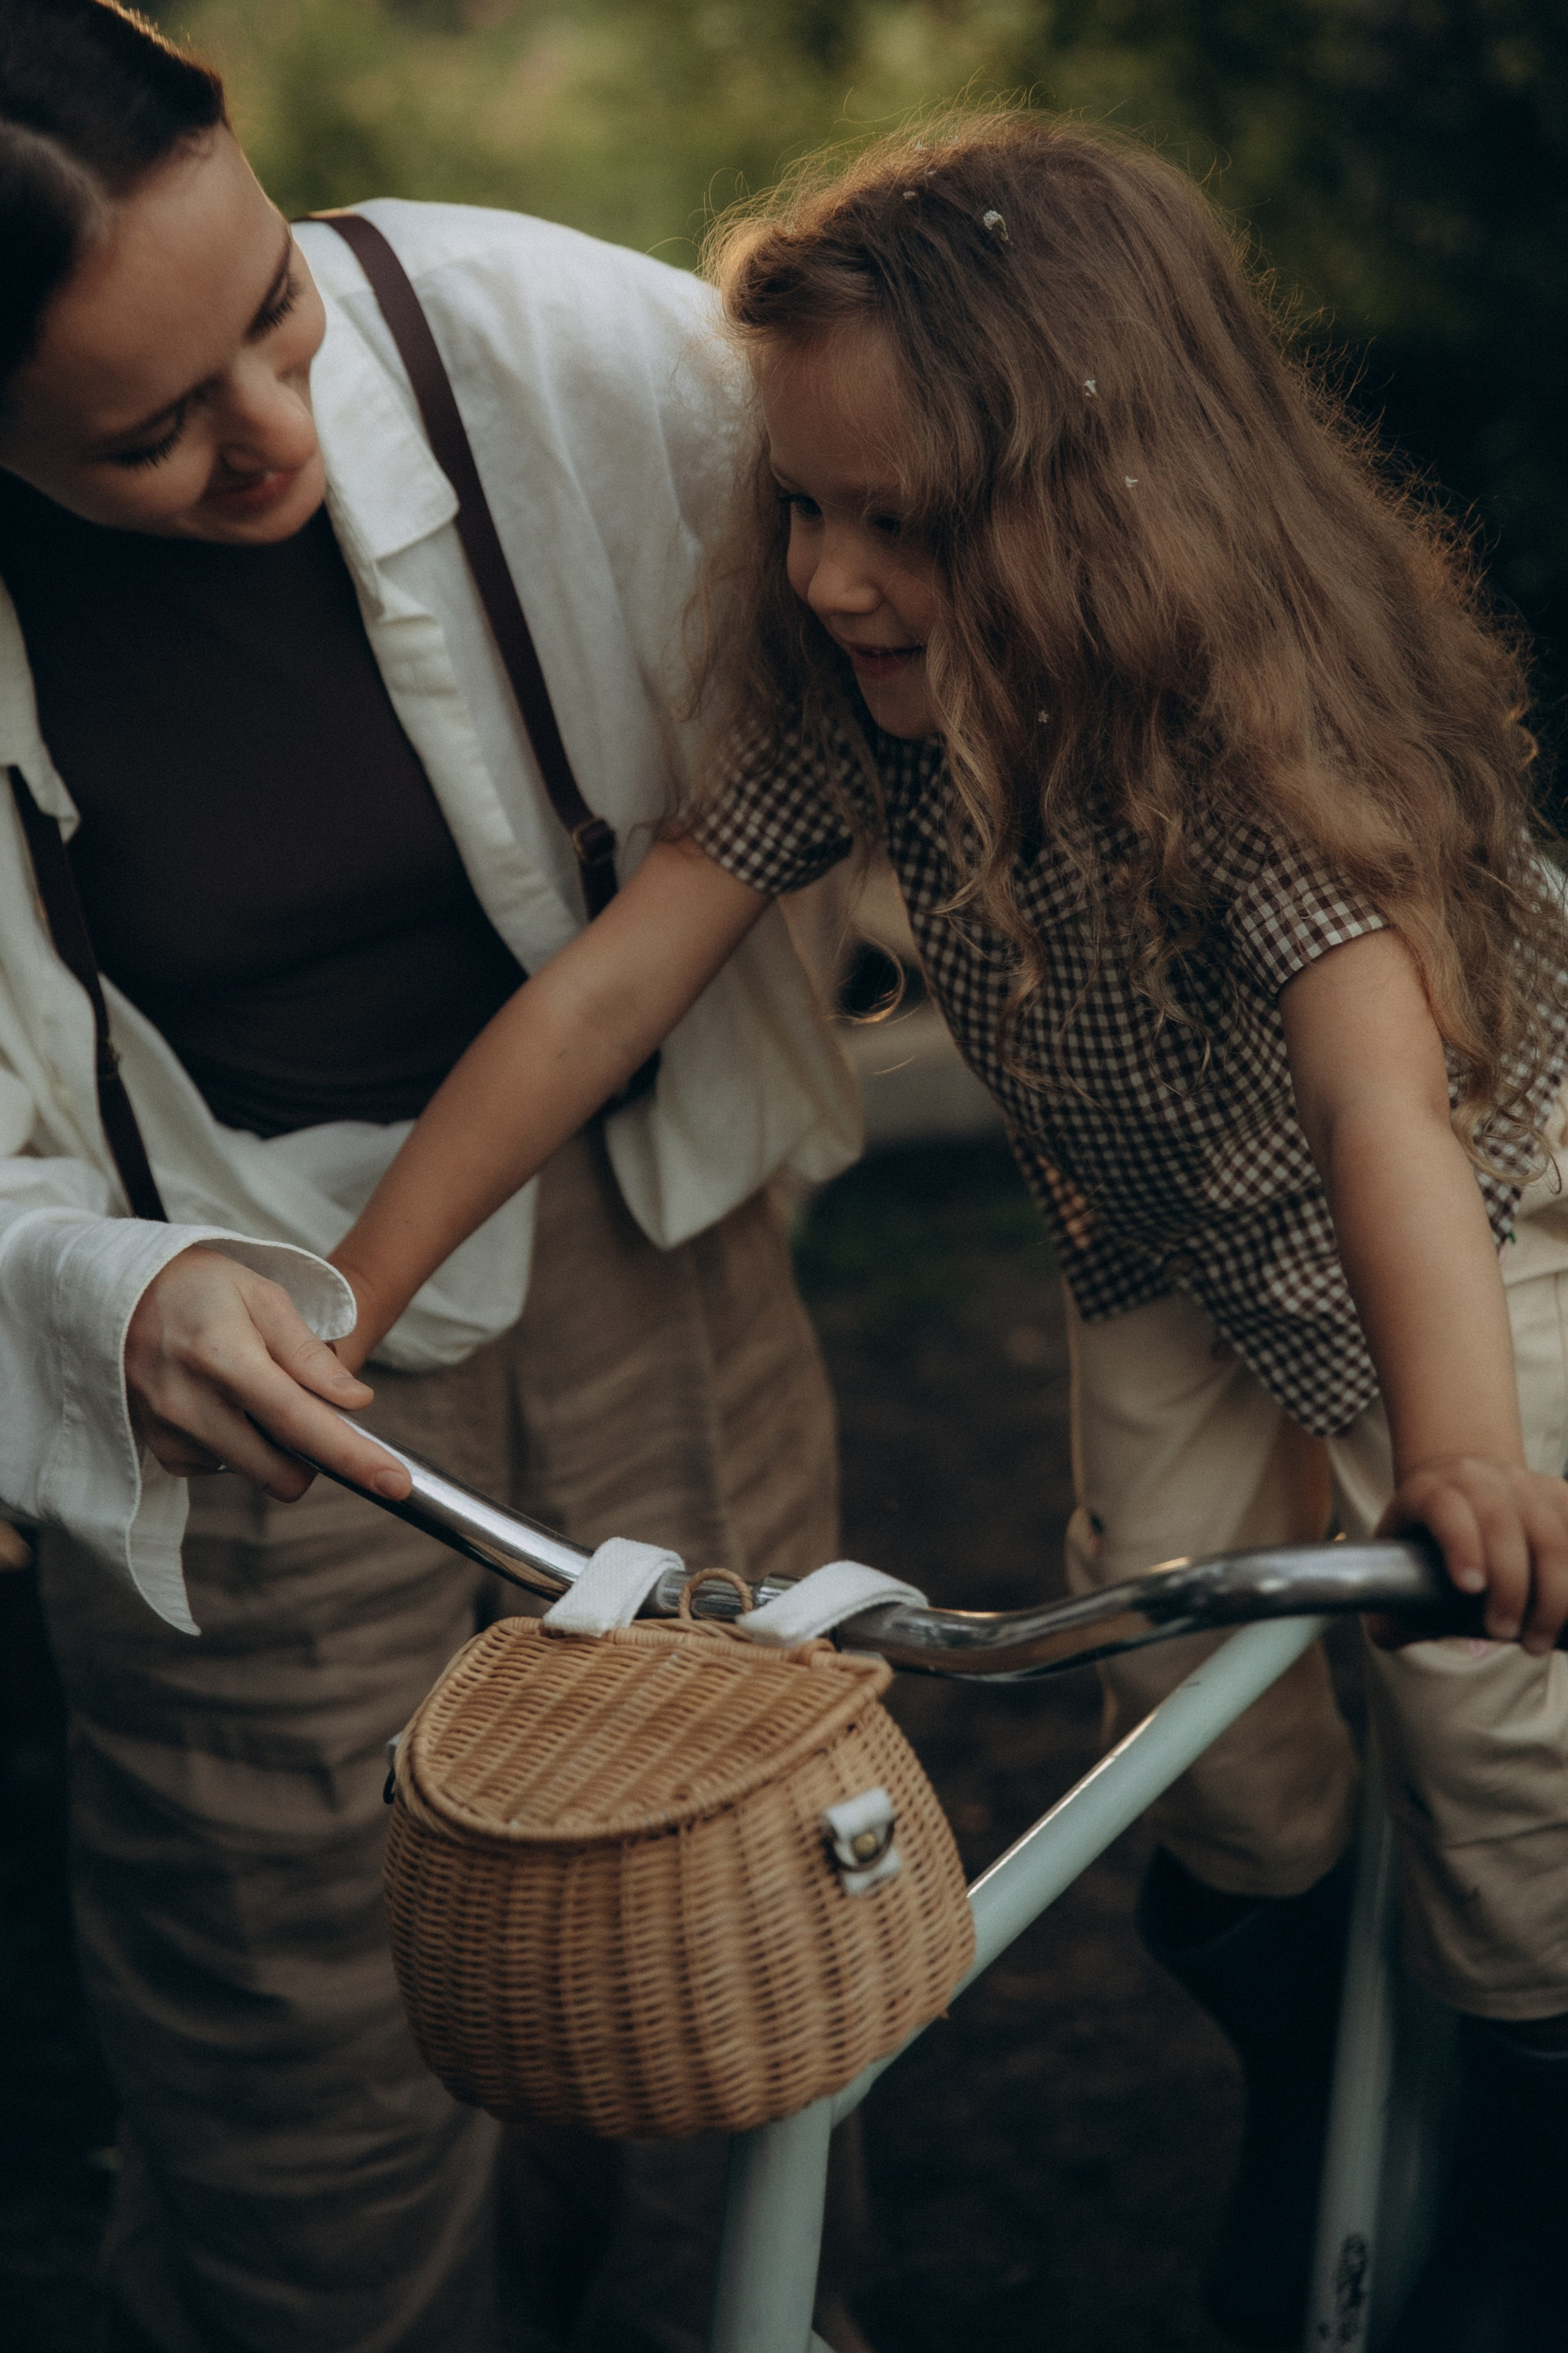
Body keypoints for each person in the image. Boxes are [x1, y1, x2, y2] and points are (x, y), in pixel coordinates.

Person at [326, 111, 1568, 2353]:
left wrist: (1462, 1440)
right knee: (1188, 1704)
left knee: (1499, 1734)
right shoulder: (862, 719)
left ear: (1104, 509)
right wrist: (353, 1288)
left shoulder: (1244, 739)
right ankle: (1303, 2065)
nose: (823, 574)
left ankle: (1525, 2139)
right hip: (1180, 1250)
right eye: (800, 504)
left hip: (1475, 1238)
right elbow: (614, 982)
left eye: (897, 524)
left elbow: (1383, 1100)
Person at [0, 5, 872, 2349]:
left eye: (273, 307)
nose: (278, 433)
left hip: (642, 1246)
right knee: (306, 2034)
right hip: (224, 1373)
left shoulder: (579, 348)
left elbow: (1021, 627)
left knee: (739, 1913)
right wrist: (114, 1286)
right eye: (152, 428)